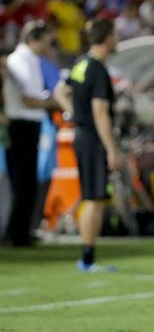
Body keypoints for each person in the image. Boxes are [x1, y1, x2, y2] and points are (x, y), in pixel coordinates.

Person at [53, 19, 121, 271]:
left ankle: (87, 257)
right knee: (95, 197)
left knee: (92, 195)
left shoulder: (81, 63)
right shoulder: (98, 69)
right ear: (109, 38)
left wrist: (74, 113)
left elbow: (60, 91)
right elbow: (100, 112)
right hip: (93, 137)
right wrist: (112, 148)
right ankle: (88, 259)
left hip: (82, 133)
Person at [4, 20, 58, 246]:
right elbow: (27, 99)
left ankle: (21, 231)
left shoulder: (31, 59)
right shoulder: (21, 60)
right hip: (22, 124)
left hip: (27, 124)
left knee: (26, 182)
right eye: (47, 40)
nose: (50, 45)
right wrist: (53, 103)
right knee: (23, 182)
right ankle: (17, 234)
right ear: (34, 39)